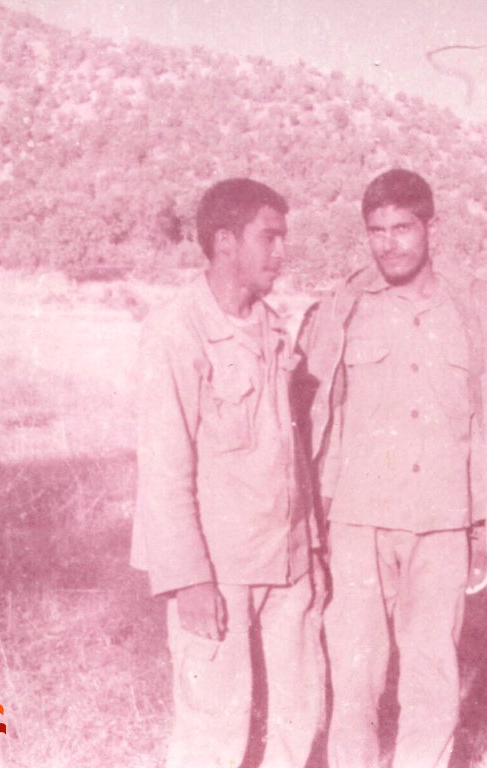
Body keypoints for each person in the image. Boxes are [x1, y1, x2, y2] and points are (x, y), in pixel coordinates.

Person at [296, 168, 487, 768]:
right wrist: (316, 520)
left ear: (431, 228)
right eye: (377, 230)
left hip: (442, 524)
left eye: (402, 228)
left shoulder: (474, 309)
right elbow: (318, 418)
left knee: (431, 678)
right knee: (354, 679)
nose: (389, 243)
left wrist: (484, 526)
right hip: (357, 523)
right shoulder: (343, 309)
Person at [130, 178, 324, 768]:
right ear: (224, 242)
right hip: (219, 569)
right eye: (269, 237)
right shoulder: (176, 330)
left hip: (289, 563)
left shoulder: (273, 329)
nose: (281, 252)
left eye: (284, 238)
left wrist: (312, 551)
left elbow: (290, 453)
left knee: (296, 717)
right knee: (212, 732)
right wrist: (189, 579)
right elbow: (164, 470)